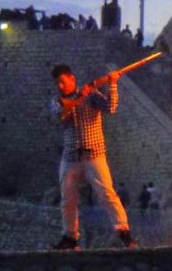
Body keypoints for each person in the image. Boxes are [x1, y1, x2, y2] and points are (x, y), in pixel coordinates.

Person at [49, 64, 136, 249]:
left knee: (107, 194)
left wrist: (112, 84)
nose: (60, 87)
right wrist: (82, 96)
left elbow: (110, 108)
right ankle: (70, 237)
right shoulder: (57, 102)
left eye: (62, 82)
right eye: (57, 83)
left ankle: (123, 231)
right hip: (70, 158)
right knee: (68, 199)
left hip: (94, 155)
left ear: (71, 78)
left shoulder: (92, 95)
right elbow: (63, 113)